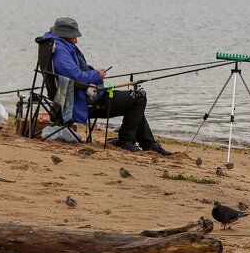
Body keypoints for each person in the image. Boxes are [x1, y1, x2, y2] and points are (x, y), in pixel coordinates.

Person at [41, 17, 171, 155]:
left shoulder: (56, 44)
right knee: (138, 97)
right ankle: (126, 141)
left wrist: (94, 74)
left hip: (82, 94)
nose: (76, 40)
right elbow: (76, 76)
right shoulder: (61, 50)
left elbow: (74, 74)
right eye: (74, 37)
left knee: (135, 102)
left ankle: (148, 143)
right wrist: (96, 75)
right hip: (81, 100)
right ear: (65, 35)